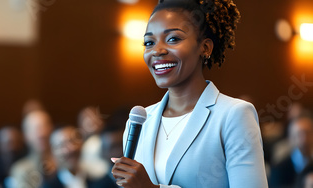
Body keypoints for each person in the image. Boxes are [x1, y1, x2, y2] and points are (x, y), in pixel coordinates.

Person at [110, 0, 268, 187]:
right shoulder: (139, 122)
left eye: (173, 39)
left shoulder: (233, 115)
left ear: (205, 47)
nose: (158, 50)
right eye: (149, 42)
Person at [9, 110, 56, 188]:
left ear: (52, 129)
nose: (41, 134)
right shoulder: (20, 170)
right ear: (25, 136)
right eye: (35, 129)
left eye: (44, 126)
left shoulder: (66, 161)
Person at [269, 116, 313, 188]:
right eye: (299, 134)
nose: (305, 139)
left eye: (308, 133)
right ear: (291, 138)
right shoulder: (279, 168)